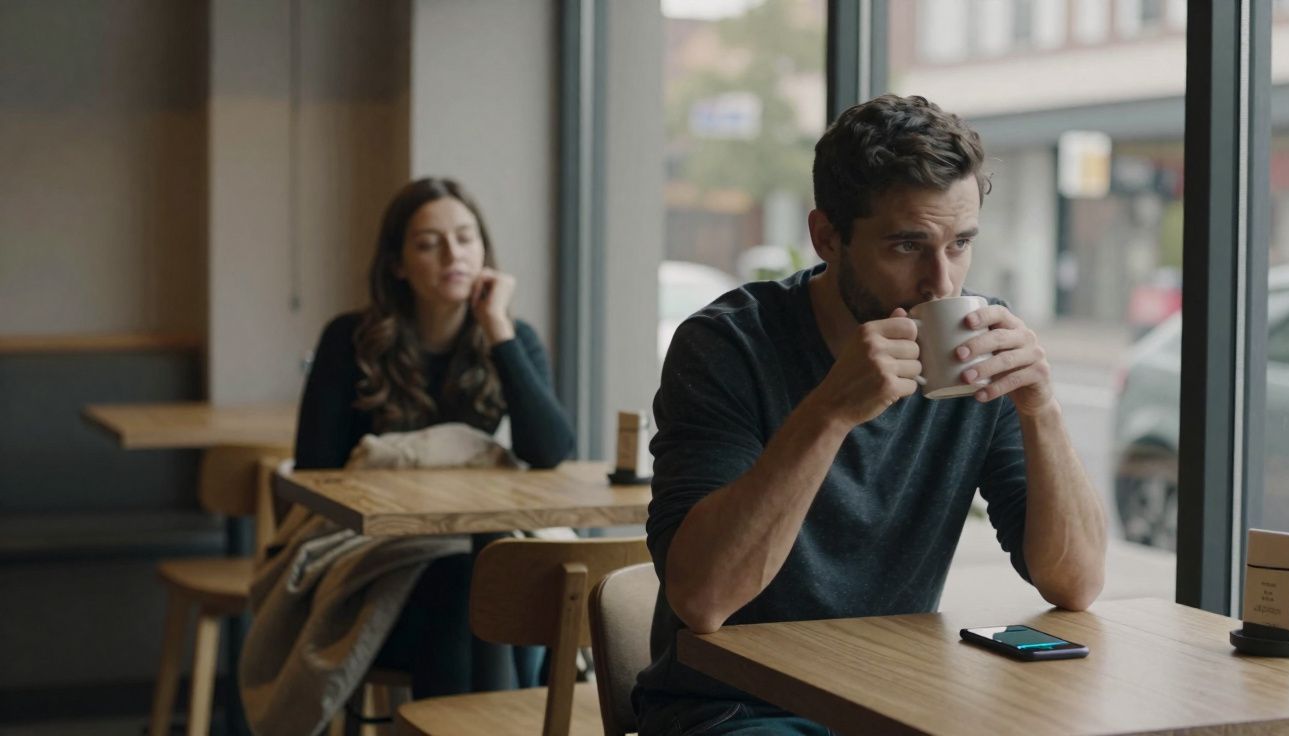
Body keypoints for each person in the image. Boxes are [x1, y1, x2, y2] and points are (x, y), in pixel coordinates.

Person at [634, 95, 1107, 735]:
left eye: (960, 244)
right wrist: (829, 411)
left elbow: (1075, 584)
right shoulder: (728, 346)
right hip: (737, 708)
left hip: (894, 700)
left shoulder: (980, 350)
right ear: (827, 237)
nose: (941, 283)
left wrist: (1040, 407)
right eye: (908, 245)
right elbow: (704, 599)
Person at [294, 176, 575, 697]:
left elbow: (550, 451)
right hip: (373, 573)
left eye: (466, 238)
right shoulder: (348, 341)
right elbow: (314, 471)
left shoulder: (513, 338)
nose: (453, 254)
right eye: (429, 243)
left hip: (474, 563)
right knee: (472, 587)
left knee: (504, 583)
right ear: (397, 265)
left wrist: (496, 327)